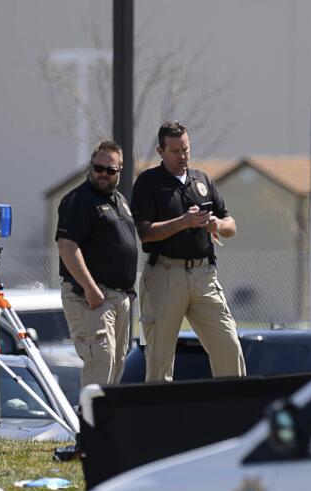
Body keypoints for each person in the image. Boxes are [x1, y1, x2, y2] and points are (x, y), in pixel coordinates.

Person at [130, 120, 242, 381]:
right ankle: (158, 419)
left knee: (228, 344)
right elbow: (145, 232)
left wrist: (217, 224)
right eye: (175, 151)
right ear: (160, 151)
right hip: (165, 274)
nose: (183, 156)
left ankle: (235, 414)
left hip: (204, 275)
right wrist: (184, 222)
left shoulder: (201, 180)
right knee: (159, 356)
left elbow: (231, 224)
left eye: (186, 149)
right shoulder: (149, 182)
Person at [54, 140, 140, 389]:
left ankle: (105, 427)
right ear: (90, 167)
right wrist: (91, 289)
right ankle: (89, 427)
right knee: (100, 366)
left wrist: (128, 294)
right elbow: (67, 247)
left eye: (110, 170)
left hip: (119, 298)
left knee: (115, 368)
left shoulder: (120, 200)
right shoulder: (79, 199)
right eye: (98, 167)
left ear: (119, 171)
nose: (103, 174)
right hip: (92, 297)